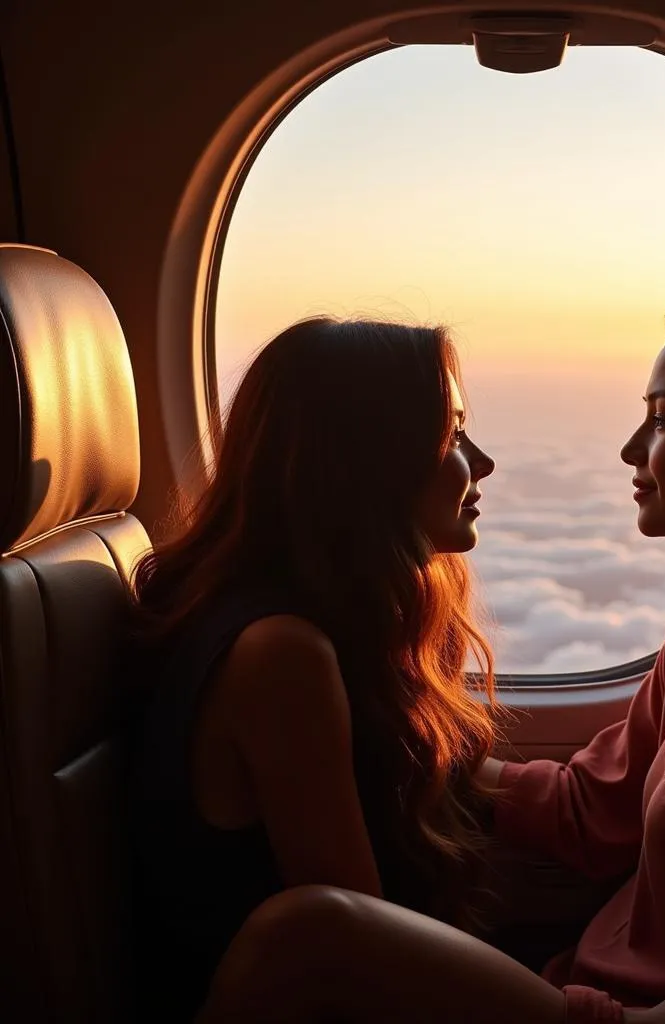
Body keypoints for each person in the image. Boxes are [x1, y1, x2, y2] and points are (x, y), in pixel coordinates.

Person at [194, 286, 665, 1024]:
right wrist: (409, 741)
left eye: (662, 420)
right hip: (585, 987)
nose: (632, 448)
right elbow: (591, 812)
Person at [127, 318, 501, 1020]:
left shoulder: (302, 629)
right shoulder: (281, 655)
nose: (480, 463)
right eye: (453, 436)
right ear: (369, 464)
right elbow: (355, 952)